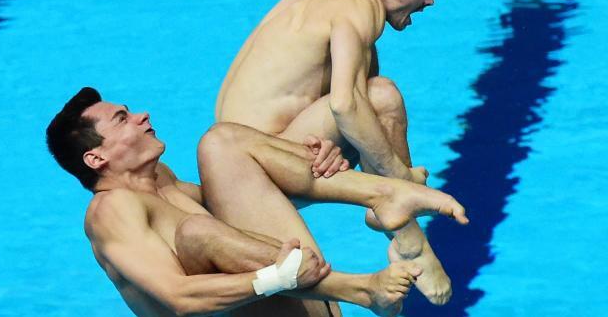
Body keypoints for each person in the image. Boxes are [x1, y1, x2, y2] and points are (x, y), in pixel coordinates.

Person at [46, 87, 469, 316]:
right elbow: (179, 298)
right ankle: (360, 286)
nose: (141, 115)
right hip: (303, 294)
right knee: (196, 231)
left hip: (305, 306)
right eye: (122, 118)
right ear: (96, 158)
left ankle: (381, 193)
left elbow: (252, 199)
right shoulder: (110, 211)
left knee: (222, 143)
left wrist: (318, 156)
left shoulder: (163, 183)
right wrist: (279, 277)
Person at [215, 0, 456, 304]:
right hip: (256, 172)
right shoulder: (361, 8)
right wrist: (398, 178)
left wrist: (327, 138)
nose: (430, 1)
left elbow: (326, 93)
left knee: (371, 90)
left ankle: (396, 206)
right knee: (382, 96)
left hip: (240, 156)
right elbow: (347, 104)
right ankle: (406, 228)